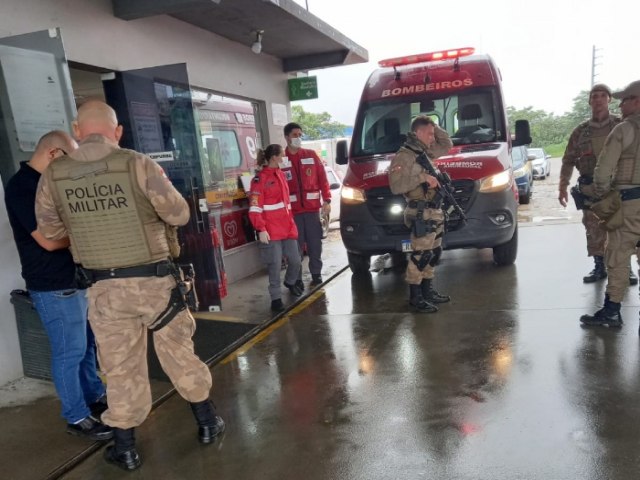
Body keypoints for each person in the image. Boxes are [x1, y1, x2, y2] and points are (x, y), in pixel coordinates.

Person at [35, 101, 224, 471]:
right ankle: (206, 423)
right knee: (178, 354)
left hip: (104, 289)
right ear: (117, 131)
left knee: (119, 367)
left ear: (78, 130)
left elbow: (51, 232)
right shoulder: (138, 164)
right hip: (156, 285)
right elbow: (179, 214)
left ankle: (126, 449)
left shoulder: (53, 176)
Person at [4, 131, 111, 441]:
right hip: (52, 284)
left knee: (87, 347)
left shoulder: (51, 183)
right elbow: (48, 242)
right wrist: (84, 239)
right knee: (69, 352)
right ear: (53, 154)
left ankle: (94, 397)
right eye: (68, 159)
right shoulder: (22, 187)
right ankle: (76, 416)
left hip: (74, 280)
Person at [559, 84, 638, 285]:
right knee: (593, 229)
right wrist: (562, 186)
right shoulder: (581, 132)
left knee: (621, 230)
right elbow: (568, 160)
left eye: (603, 95)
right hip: (590, 189)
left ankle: (625, 268)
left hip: (617, 188)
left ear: (609, 100)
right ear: (590, 101)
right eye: (594, 96)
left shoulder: (622, 125)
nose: (599, 99)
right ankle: (599, 266)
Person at [580, 80, 640, 329]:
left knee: (617, 254)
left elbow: (603, 171)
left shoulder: (624, 130)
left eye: (624, 99)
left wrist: (599, 194)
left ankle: (612, 311)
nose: (621, 104)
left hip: (628, 204)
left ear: (636, 101)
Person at [389, 116, 453, 313]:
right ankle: (416, 297)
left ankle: (428, 291)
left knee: (433, 253)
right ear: (417, 133)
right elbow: (396, 186)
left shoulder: (426, 152)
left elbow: (447, 144)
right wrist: (422, 177)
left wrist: (434, 125)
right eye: (429, 134)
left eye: (433, 134)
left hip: (434, 210)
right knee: (420, 255)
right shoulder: (405, 156)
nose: (433, 138)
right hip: (420, 212)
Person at [249, 144, 303, 312]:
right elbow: (255, 207)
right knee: (274, 265)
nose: (283, 157)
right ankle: (276, 298)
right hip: (271, 230)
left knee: (296, 260)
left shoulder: (280, 174)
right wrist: (261, 228)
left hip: (287, 227)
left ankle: (290, 281)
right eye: (281, 155)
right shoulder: (259, 180)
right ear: (274, 157)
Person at [282, 122, 331, 288]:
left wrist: (327, 200)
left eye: (300, 135)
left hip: (311, 210)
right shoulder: (281, 160)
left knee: (315, 244)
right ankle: (296, 278)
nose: (298, 138)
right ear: (286, 137)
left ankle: (316, 274)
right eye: (295, 135)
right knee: (295, 249)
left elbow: (322, 179)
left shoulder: (310, 155)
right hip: (292, 214)